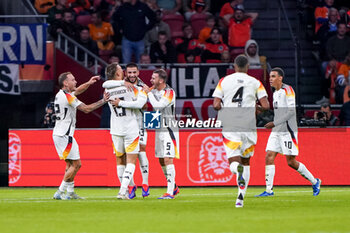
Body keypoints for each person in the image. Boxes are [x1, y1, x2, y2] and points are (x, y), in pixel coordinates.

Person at [212, 55, 270, 208]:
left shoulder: (224, 81)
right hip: (249, 125)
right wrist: (254, 108)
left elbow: (216, 104)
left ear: (234, 66)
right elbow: (265, 105)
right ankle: (240, 199)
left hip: (230, 124)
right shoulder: (255, 82)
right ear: (248, 66)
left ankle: (237, 171)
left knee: (234, 160)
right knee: (246, 161)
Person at [255, 67, 321, 198]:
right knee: (269, 156)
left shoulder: (288, 90)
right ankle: (269, 190)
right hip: (277, 130)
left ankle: (315, 181)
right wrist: (262, 110)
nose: (270, 79)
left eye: (273, 76)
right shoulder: (275, 93)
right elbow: (279, 113)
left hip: (288, 131)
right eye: (270, 77)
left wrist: (274, 123)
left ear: (280, 78)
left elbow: (291, 112)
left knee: (291, 162)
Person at [52, 73, 109, 200]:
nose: (76, 81)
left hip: (61, 133)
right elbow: (87, 109)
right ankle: (60, 191)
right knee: (77, 165)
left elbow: (77, 90)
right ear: (66, 83)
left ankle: (70, 193)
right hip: (65, 135)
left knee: (70, 165)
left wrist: (89, 83)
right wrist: (103, 101)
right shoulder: (68, 97)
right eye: (73, 80)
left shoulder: (61, 94)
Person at [103, 63, 151, 198]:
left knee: (120, 160)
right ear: (119, 74)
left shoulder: (107, 89)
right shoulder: (135, 89)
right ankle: (124, 190)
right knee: (131, 161)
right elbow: (141, 104)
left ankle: (130, 187)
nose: (127, 75)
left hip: (116, 129)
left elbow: (105, 84)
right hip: (131, 128)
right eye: (122, 71)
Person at [143, 69, 180, 199]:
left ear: (161, 80)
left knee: (168, 159)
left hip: (169, 128)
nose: (151, 80)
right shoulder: (153, 92)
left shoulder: (169, 92)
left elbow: (158, 106)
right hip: (159, 129)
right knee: (161, 160)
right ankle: (174, 186)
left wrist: (148, 94)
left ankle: (170, 192)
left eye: (154, 78)